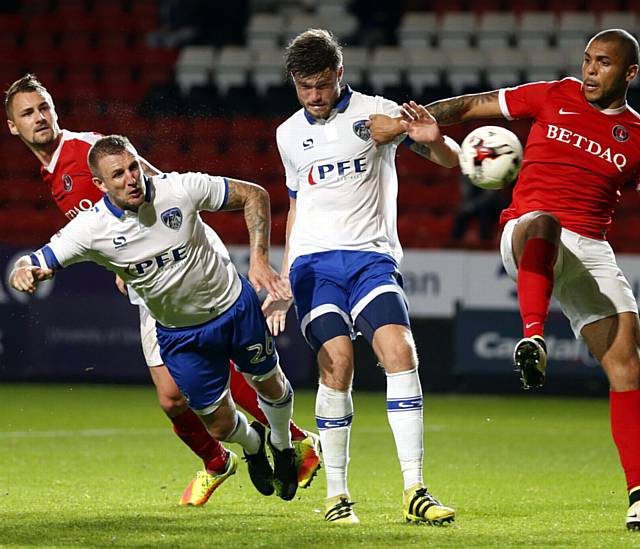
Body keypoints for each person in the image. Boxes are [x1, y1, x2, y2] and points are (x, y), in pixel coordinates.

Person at [4, 74, 320, 506]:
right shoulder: (55, 171)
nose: (40, 118)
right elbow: (82, 238)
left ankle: (284, 443)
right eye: (28, 113)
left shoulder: (83, 151)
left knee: (197, 386)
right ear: (12, 126)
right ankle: (231, 454)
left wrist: (154, 238)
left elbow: (158, 185)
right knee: (175, 399)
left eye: (44, 107)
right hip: (152, 284)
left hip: (189, 272)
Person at [369, 28, 640, 531]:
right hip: (528, 230)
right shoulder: (554, 94)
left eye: (602, 63)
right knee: (544, 221)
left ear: (629, 73)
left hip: (591, 247)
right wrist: (419, 119)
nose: (589, 71)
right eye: (586, 60)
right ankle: (533, 337)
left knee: (628, 362)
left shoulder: (636, 136)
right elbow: (474, 106)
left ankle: (638, 493)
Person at [263, 29, 458, 525]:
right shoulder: (288, 134)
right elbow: (294, 205)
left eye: (322, 85)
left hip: (371, 259)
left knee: (401, 352)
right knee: (339, 363)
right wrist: (284, 280)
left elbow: (446, 158)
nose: (314, 96)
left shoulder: (377, 114)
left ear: (339, 75)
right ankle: (336, 495)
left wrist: (436, 142)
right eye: (304, 86)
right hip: (313, 265)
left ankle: (415, 487)